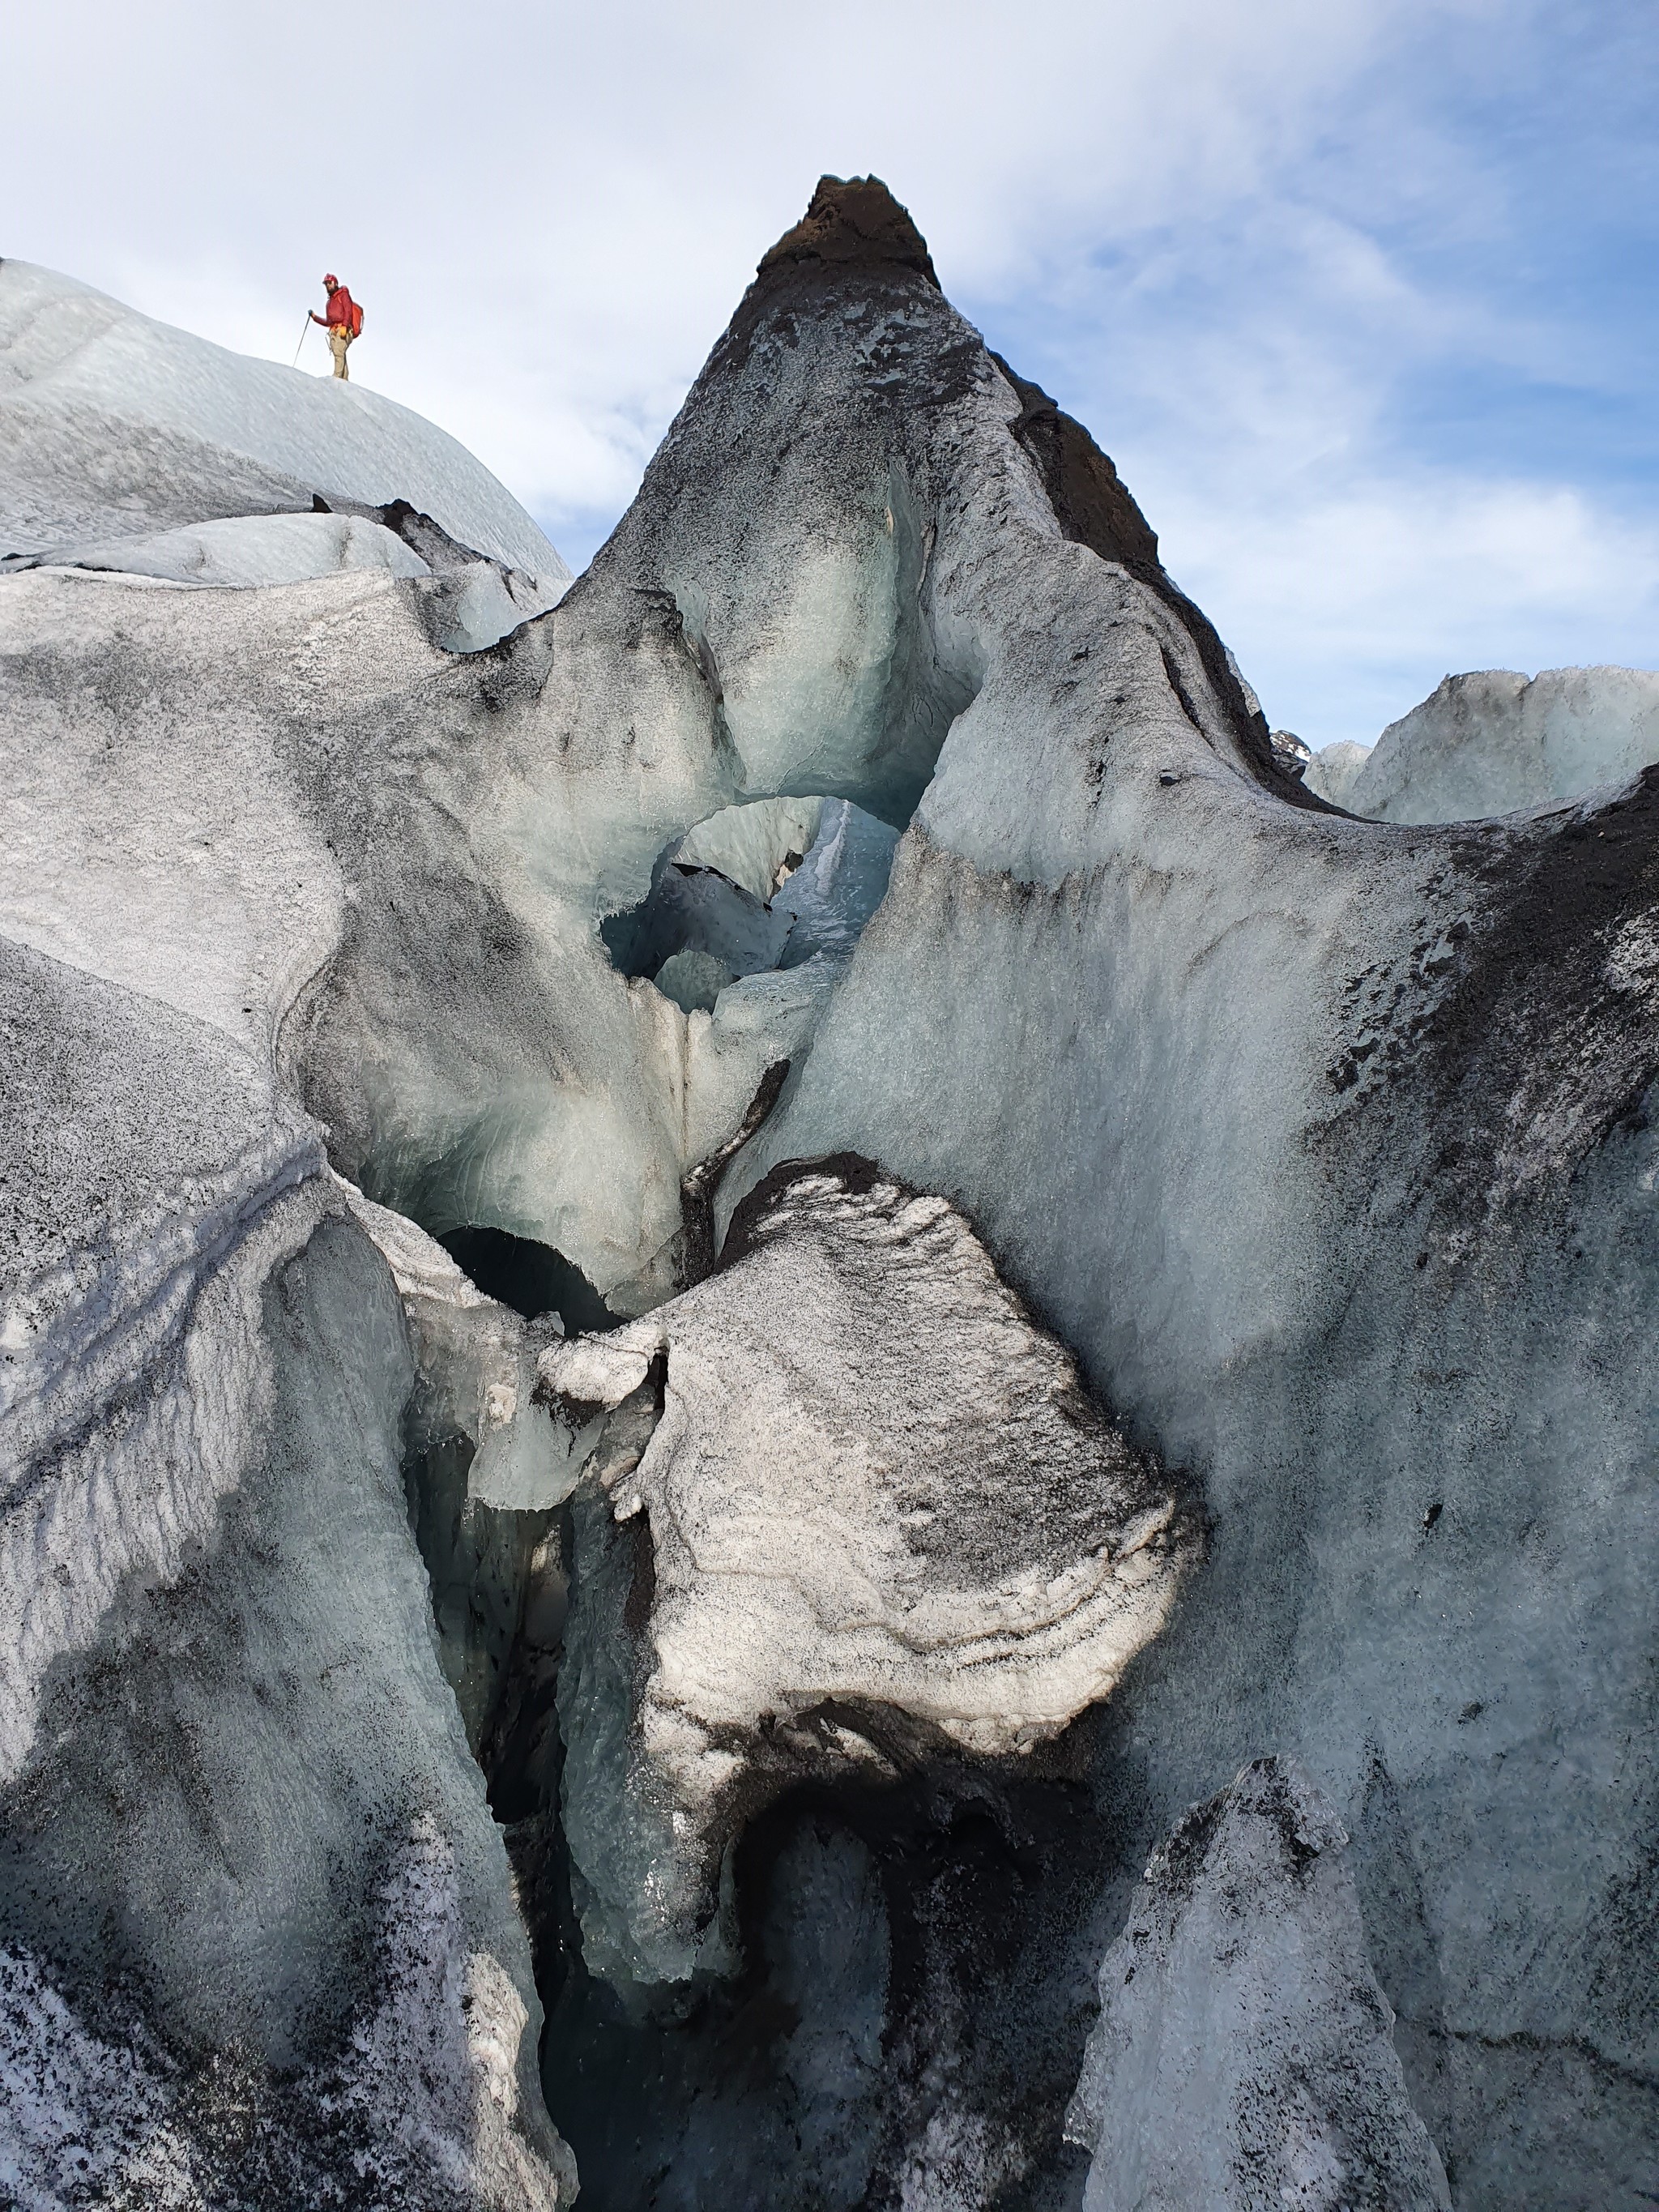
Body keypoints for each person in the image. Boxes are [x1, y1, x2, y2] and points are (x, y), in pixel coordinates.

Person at [309, 274, 364, 379]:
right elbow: (328, 322)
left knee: (338, 351)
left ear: (335, 283)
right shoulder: (329, 303)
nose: (328, 286)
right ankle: (344, 378)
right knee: (339, 352)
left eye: (330, 283)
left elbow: (348, 311)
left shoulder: (343, 295)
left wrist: (344, 326)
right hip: (334, 331)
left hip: (344, 329)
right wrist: (315, 317)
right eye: (326, 284)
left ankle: (337, 377)